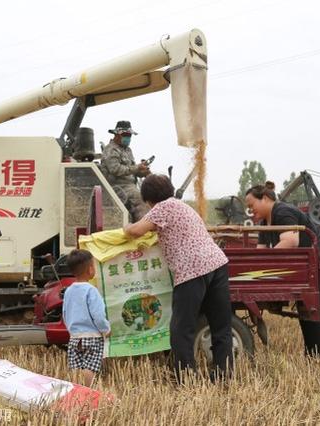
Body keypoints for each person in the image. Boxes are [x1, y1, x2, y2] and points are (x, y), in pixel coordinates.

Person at [123, 174, 233, 382]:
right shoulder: (181, 206)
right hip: (217, 264)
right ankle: (223, 374)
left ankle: (186, 377)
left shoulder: (162, 208)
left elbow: (136, 231)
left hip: (192, 270)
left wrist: (125, 227)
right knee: (220, 325)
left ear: (148, 199)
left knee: (182, 328)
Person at [245, 181, 320, 356]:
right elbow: (261, 253)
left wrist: (267, 263)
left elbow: (290, 241)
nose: (250, 210)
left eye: (251, 205)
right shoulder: (265, 222)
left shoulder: (282, 211)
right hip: (315, 265)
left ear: (264, 198)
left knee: (312, 313)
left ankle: (313, 360)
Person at [63, 249, 111, 387]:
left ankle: (76, 391)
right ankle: (87, 392)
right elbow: (98, 315)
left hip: (74, 337)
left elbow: (65, 313)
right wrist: (105, 329)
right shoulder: (91, 290)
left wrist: (72, 331)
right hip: (92, 337)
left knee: (76, 369)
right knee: (90, 368)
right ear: (90, 270)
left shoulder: (69, 290)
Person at [99, 120, 151, 222]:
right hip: (117, 186)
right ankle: (144, 229)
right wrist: (137, 167)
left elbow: (132, 169)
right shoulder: (110, 150)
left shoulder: (128, 150)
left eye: (129, 135)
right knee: (140, 200)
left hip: (130, 185)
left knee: (150, 195)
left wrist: (143, 171)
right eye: (126, 135)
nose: (128, 138)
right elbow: (115, 169)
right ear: (117, 135)